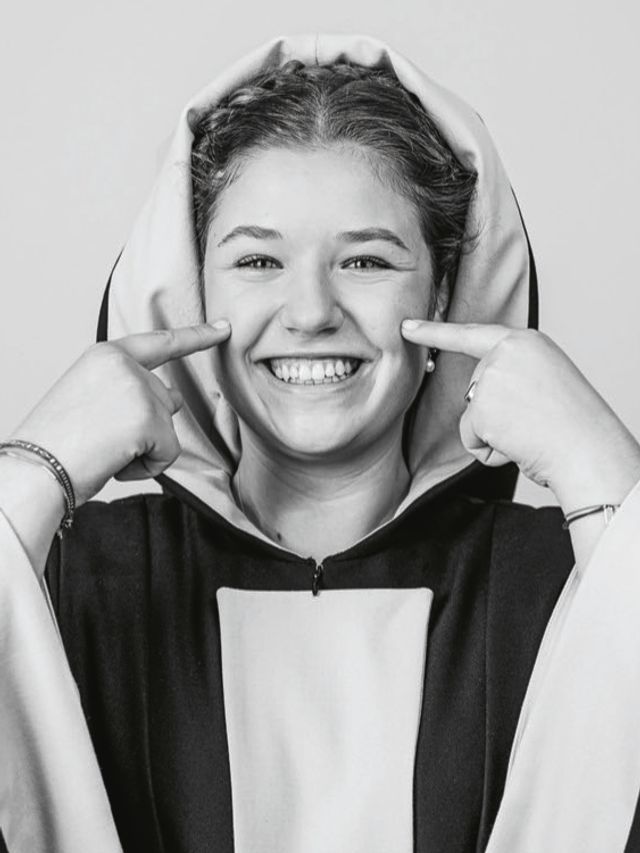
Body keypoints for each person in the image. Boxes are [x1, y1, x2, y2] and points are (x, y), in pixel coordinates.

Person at [1, 32, 640, 853]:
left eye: (366, 261)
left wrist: (609, 477)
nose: (309, 312)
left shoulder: (569, 580)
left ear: (442, 293)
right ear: (194, 290)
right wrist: (26, 478)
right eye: (257, 260)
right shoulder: (64, 577)